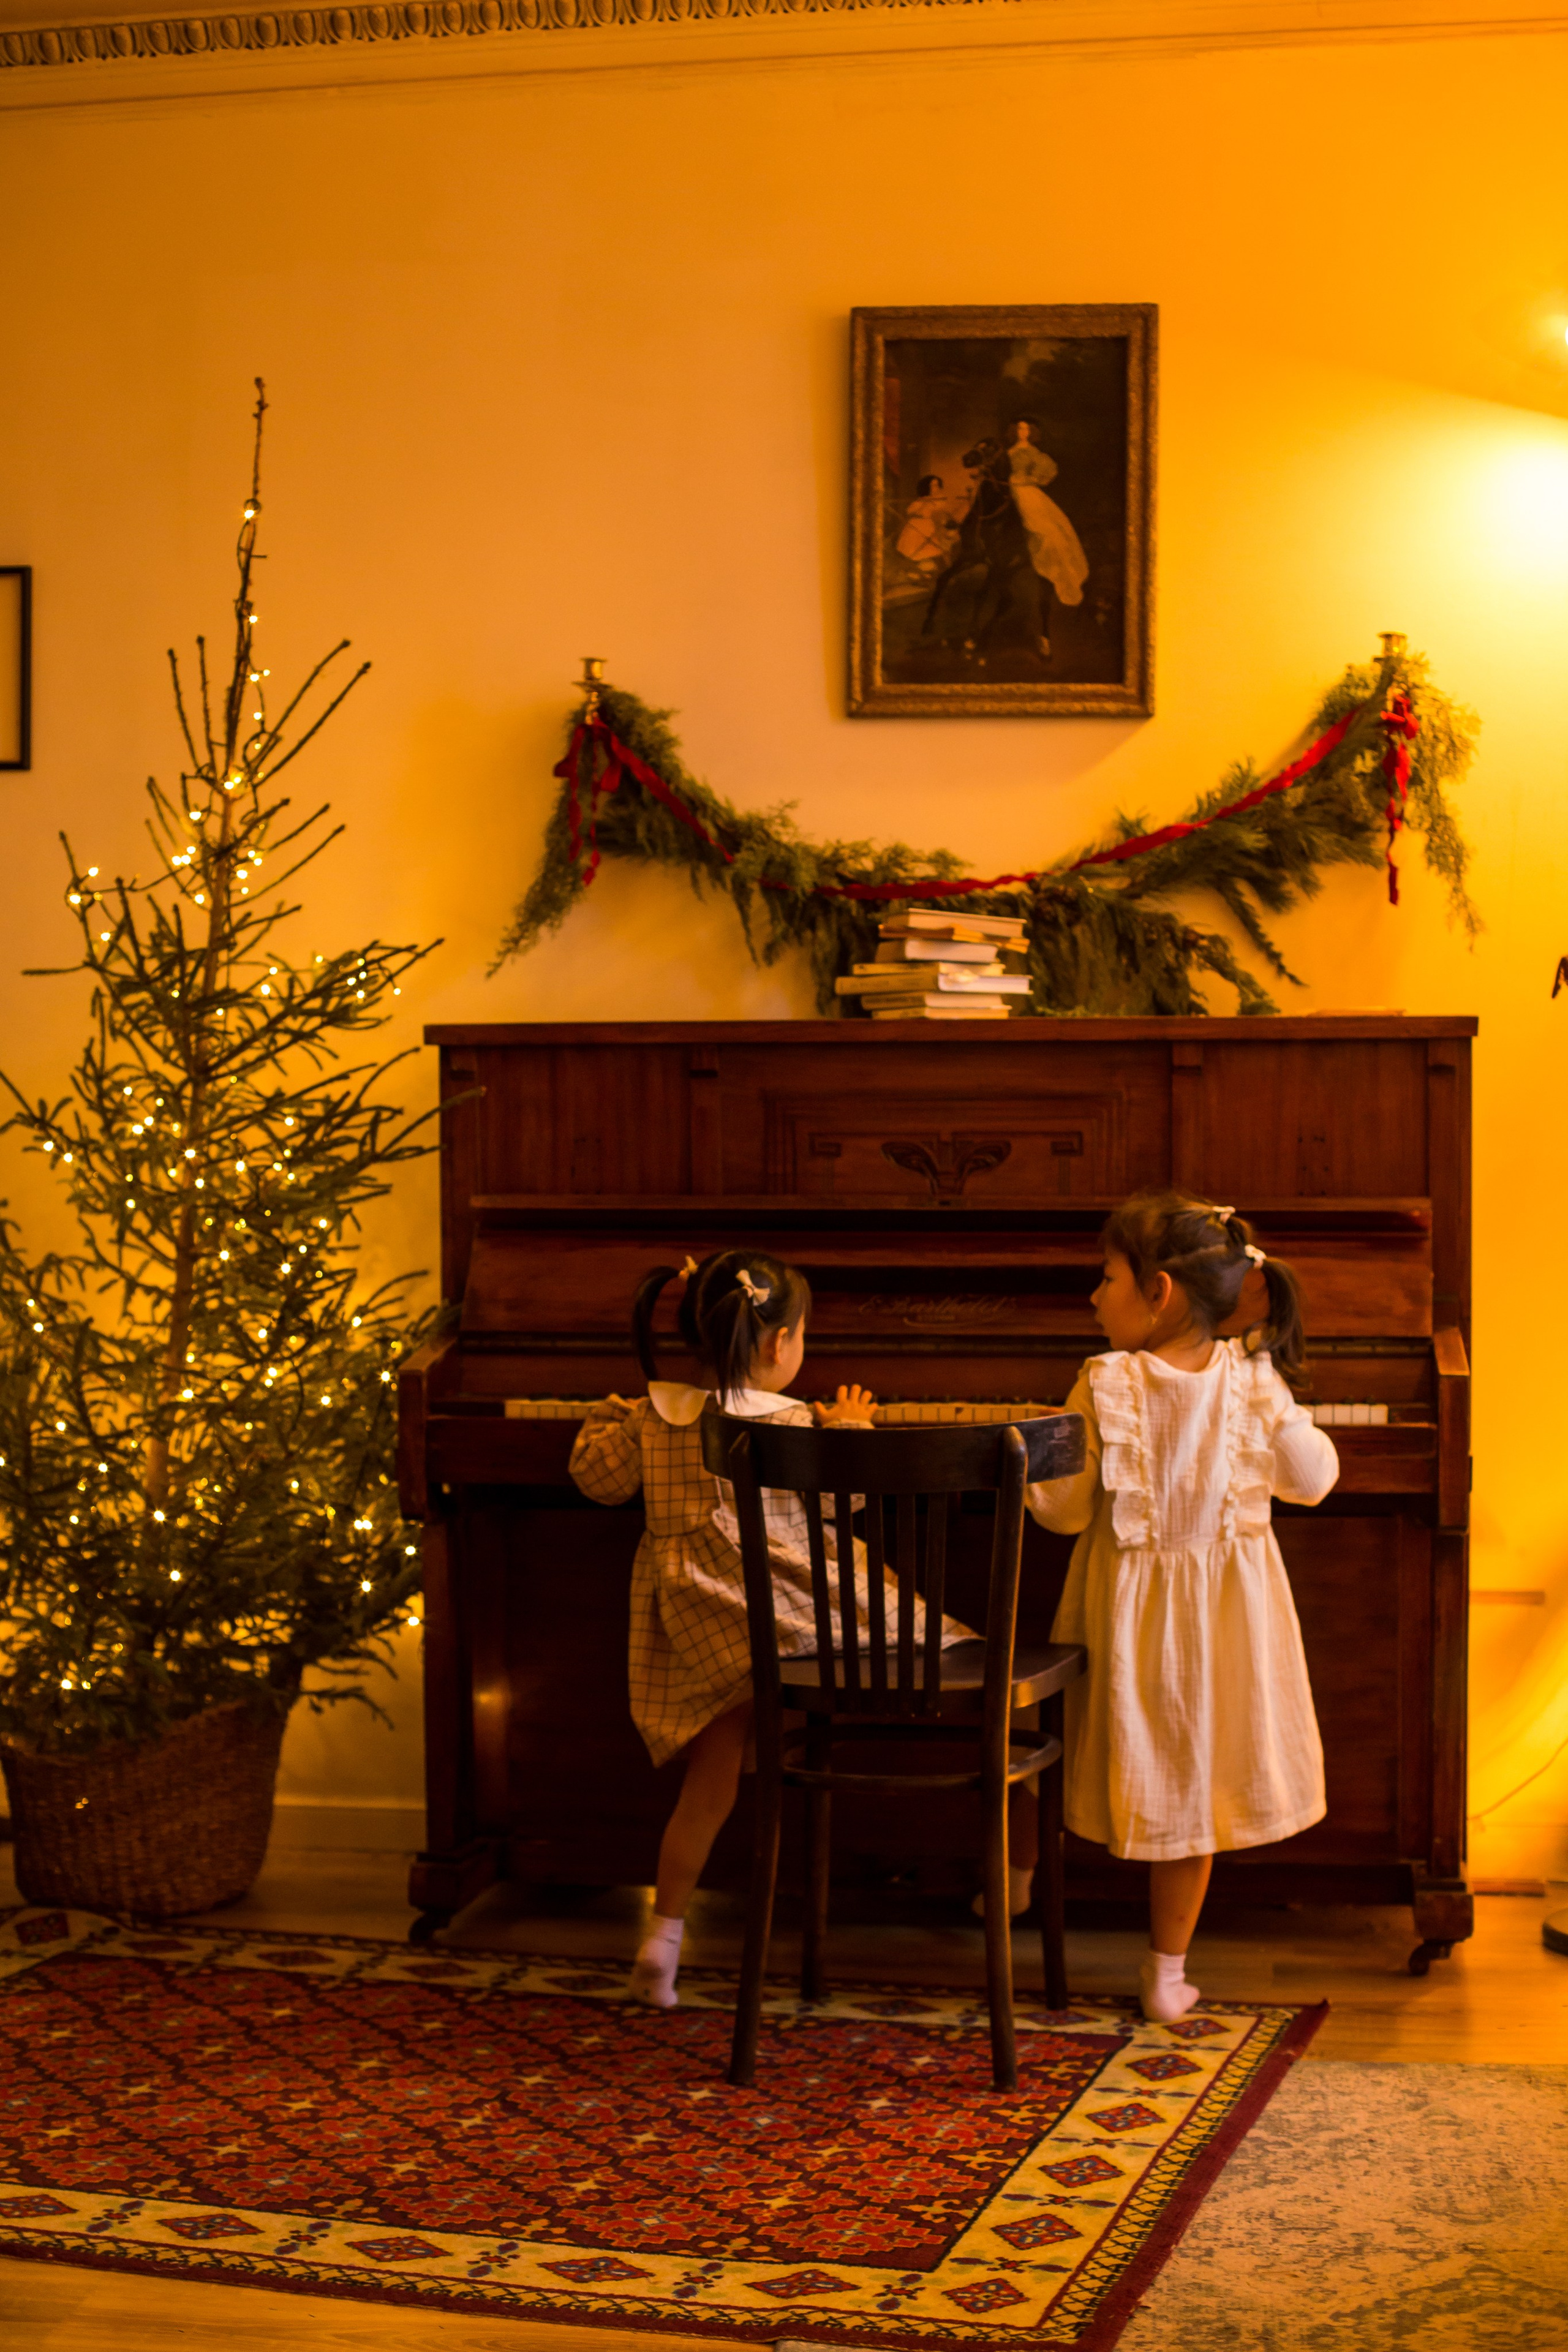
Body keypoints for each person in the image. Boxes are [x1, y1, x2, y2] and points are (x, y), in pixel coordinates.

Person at [568, 1247, 969, 2011]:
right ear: (782, 1345)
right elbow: (839, 1507)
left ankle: (663, 1937)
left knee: (709, 1783)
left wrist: (619, 1417)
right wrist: (849, 1433)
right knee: (920, 1636)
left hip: (706, 1632)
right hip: (796, 1620)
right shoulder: (791, 1423)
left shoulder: (657, 1416)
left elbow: (600, 1483)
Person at [1025, 1194, 1338, 2023]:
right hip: (1227, 1630)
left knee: (1080, 1755)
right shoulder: (1250, 1380)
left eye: (1106, 1277)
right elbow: (1312, 1480)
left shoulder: (1104, 1380)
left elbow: (1063, 1512)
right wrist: (1270, 1380)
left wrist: (1027, 1456)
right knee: (1195, 1792)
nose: (1094, 1296)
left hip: (1126, 1625)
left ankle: (1014, 1887)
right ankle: (1167, 1973)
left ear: (1157, 1292)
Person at [1005, 417, 1088, 654]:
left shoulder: (1035, 454)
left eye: (1027, 428)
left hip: (1027, 492)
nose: (1023, 431)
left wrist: (1025, 480)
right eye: (1020, 428)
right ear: (1014, 431)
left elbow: (1046, 476)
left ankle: (1047, 560)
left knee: (1046, 530)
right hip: (1008, 490)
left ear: (1032, 432)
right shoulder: (1008, 452)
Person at [896, 474, 961, 573]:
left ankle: (936, 570)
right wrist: (925, 502)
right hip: (916, 525)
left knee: (937, 548)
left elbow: (944, 512)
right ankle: (918, 570)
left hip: (930, 525)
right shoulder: (921, 500)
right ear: (927, 487)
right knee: (915, 549)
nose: (935, 488)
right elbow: (911, 512)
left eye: (937, 485)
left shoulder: (939, 500)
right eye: (932, 486)